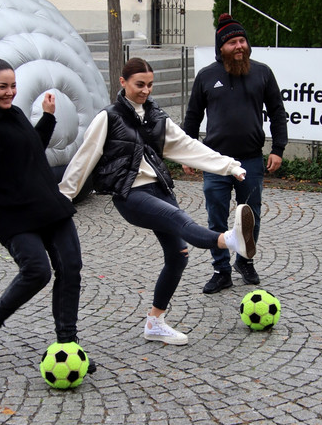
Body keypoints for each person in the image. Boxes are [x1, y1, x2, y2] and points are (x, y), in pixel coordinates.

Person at [59, 57, 255, 346]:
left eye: (150, 85)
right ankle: (230, 240)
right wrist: (63, 196)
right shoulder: (108, 117)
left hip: (160, 189)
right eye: (139, 84)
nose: (146, 90)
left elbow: (187, 146)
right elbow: (84, 157)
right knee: (179, 220)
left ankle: (155, 322)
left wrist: (228, 165)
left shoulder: (156, 116)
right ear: (123, 82)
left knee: (178, 255)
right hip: (131, 194)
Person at [0, 56, 94, 370]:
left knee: (70, 267)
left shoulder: (14, 113)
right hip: (12, 214)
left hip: (47, 204)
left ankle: (67, 344)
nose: (10, 92)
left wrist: (48, 117)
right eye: (3, 86)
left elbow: (31, 148)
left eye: (13, 86)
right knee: (37, 271)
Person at [182, 14, 288, 293]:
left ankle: (245, 261)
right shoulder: (206, 76)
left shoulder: (262, 73)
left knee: (250, 215)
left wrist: (278, 149)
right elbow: (192, 117)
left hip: (251, 160)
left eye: (242, 41)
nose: (239, 46)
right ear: (221, 48)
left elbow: (277, 112)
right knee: (216, 218)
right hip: (215, 162)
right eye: (232, 42)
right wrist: (187, 155)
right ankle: (221, 270)